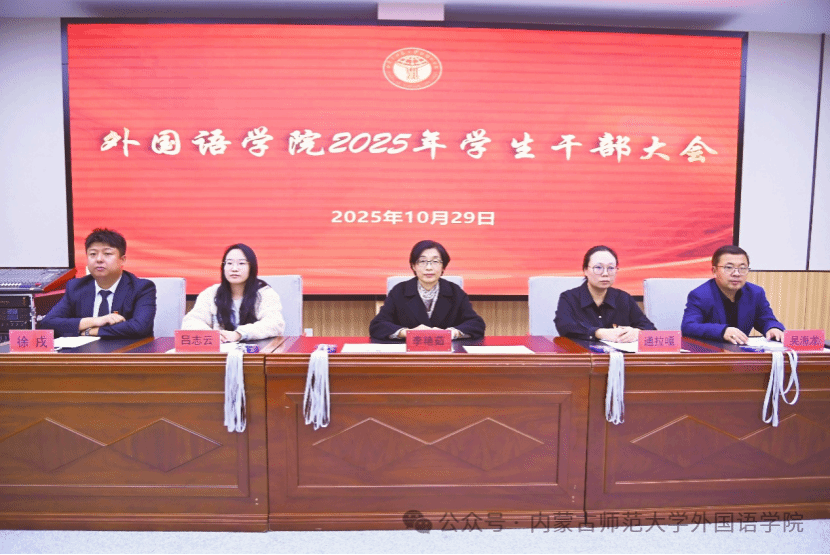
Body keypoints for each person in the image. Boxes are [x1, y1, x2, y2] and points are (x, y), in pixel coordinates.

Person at [40, 228, 156, 338]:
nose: (99, 259)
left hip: (127, 351)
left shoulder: (141, 288)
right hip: (84, 351)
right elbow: (47, 323)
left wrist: (90, 331)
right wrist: (95, 321)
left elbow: (140, 327)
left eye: (107, 254)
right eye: (93, 254)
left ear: (122, 260)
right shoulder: (76, 287)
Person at [370, 240, 485, 340]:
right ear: (413, 266)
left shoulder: (455, 291)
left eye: (435, 261)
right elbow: (378, 325)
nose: (429, 268)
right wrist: (407, 333)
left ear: (443, 266)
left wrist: (452, 333)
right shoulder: (399, 291)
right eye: (422, 261)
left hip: (446, 353)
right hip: (409, 353)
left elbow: (476, 324)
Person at [681, 245, 785, 344]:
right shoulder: (701, 295)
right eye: (729, 267)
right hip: (711, 353)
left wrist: (773, 328)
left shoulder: (755, 293)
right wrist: (723, 331)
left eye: (742, 268)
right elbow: (688, 326)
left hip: (741, 353)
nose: (736, 273)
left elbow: (766, 320)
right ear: (714, 271)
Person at [181, 243, 285, 342]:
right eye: (229, 263)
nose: (234, 269)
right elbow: (191, 321)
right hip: (220, 351)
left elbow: (275, 324)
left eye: (241, 263)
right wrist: (212, 335)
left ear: (252, 267)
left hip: (257, 350)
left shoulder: (265, 293)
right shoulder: (211, 293)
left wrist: (239, 334)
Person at [554, 245, 656, 342]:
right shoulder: (569, 297)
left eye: (611, 268)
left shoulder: (624, 298)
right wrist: (599, 333)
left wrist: (637, 332)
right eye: (598, 268)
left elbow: (650, 328)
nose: (605, 274)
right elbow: (564, 326)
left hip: (619, 354)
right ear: (585, 270)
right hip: (582, 353)